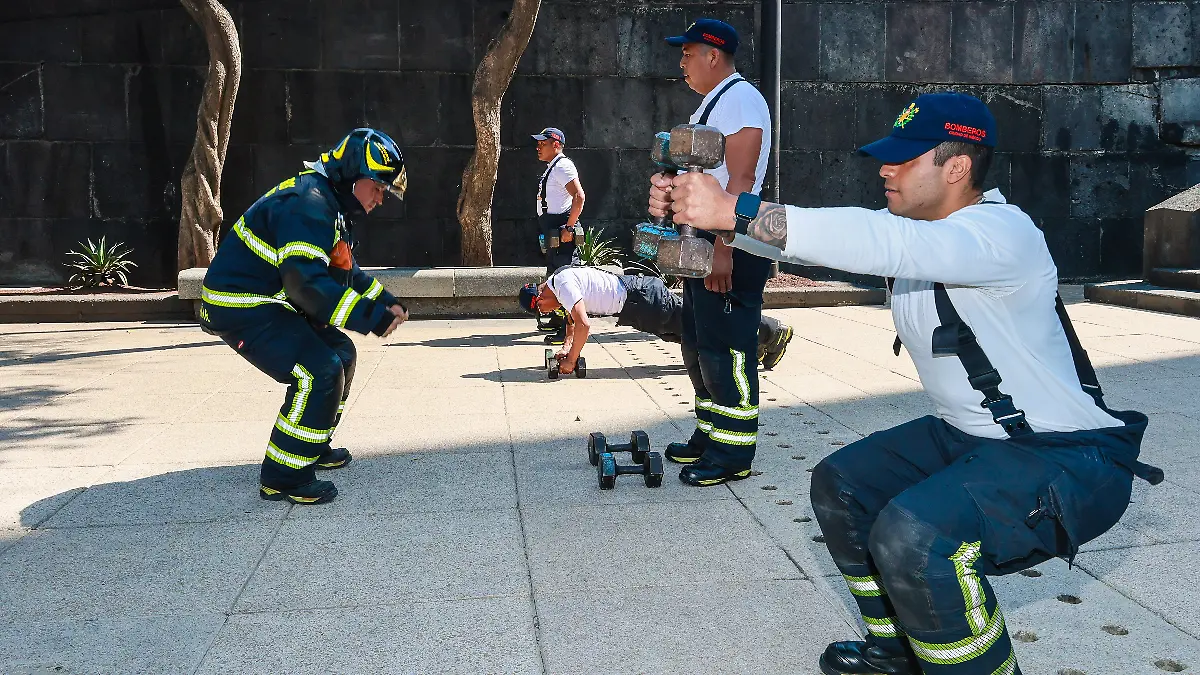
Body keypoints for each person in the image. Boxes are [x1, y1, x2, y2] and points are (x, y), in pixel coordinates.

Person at [648, 92, 1163, 675]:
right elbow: (851, 244)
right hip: (971, 437)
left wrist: (734, 209)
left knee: (915, 536)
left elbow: (878, 240)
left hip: (1065, 457)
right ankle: (897, 652)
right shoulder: (923, 231)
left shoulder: (1001, 233)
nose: (885, 169)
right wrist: (699, 215)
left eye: (905, 158)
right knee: (841, 485)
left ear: (958, 167)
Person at [200, 128, 411, 505]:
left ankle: (311, 444)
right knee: (319, 369)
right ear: (352, 174)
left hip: (269, 299)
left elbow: (345, 269)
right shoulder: (308, 203)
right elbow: (307, 287)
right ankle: (283, 477)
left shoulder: (327, 202)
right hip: (240, 304)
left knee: (341, 354)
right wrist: (372, 318)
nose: (380, 199)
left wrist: (385, 299)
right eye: (377, 187)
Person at [662, 18, 775, 486]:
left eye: (688, 53)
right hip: (706, 238)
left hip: (730, 241)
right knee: (699, 340)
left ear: (713, 54)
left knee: (728, 345)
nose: (682, 63)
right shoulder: (713, 103)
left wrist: (724, 249)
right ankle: (711, 436)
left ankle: (734, 452)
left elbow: (743, 181)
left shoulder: (742, 99)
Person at [516, 266, 794, 374]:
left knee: (705, 321)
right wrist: (567, 346)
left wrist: (571, 360)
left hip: (643, 301)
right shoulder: (559, 284)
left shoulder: (563, 285)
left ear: (540, 300)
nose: (548, 312)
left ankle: (770, 331)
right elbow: (572, 322)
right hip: (639, 304)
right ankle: (755, 344)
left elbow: (584, 325)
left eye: (543, 310)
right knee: (693, 332)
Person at [532, 126, 586, 345]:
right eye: (538, 144)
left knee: (565, 282)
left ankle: (568, 334)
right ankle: (559, 323)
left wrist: (569, 228)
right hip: (553, 228)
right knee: (556, 279)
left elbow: (579, 197)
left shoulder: (563, 166)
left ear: (556, 145)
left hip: (562, 229)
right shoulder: (552, 167)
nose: (538, 147)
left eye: (542, 144)